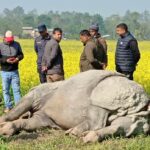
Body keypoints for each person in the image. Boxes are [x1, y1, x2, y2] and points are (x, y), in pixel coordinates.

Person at [0, 30, 24, 113]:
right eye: (8, 39)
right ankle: (8, 106)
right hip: (4, 72)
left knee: (16, 90)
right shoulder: (0, 45)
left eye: (11, 39)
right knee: (5, 90)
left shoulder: (17, 44)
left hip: (14, 71)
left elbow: (21, 55)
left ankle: (18, 108)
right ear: (4, 38)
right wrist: (6, 60)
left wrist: (17, 59)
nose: (10, 41)